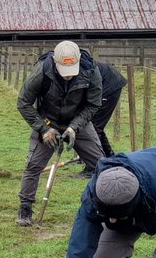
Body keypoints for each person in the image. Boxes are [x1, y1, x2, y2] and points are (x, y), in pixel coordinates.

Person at [15, 40, 104, 225]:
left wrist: (75, 127)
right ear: (56, 63)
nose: (68, 77)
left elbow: (94, 104)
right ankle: (25, 207)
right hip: (48, 119)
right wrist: (43, 128)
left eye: (72, 72)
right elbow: (23, 102)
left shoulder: (90, 71)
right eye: (64, 72)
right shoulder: (41, 71)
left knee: (102, 165)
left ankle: (106, 205)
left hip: (78, 119)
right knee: (33, 165)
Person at [89, 60, 126, 159]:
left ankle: (94, 164)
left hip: (110, 86)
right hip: (103, 82)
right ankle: (109, 155)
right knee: (94, 125)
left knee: (93, 126)